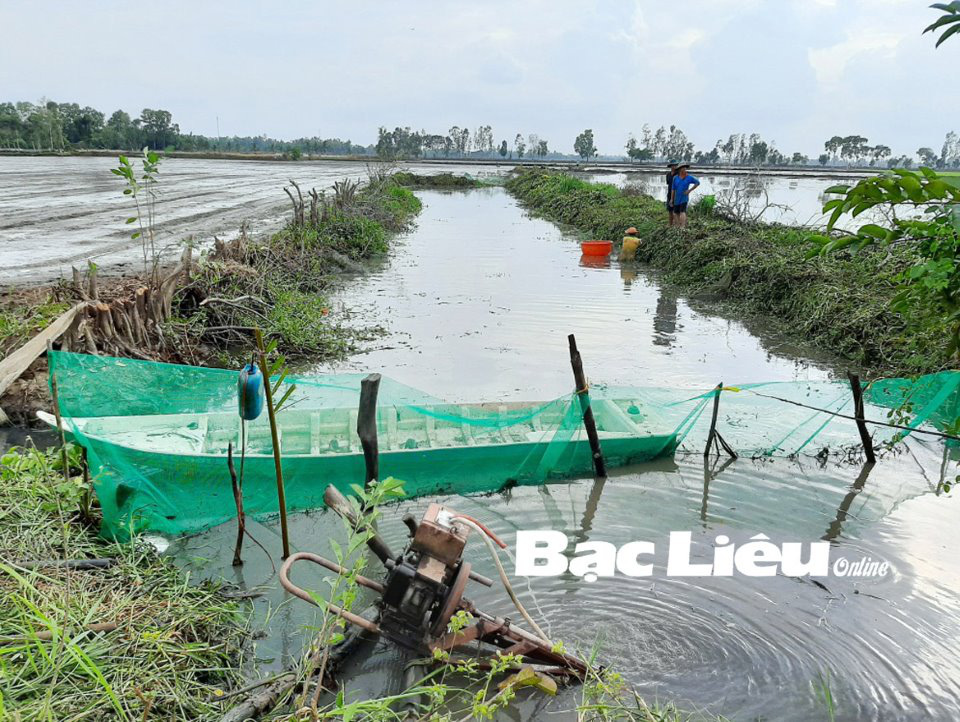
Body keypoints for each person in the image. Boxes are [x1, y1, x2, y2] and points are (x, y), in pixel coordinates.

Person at [669, 163, 699, 228]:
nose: (684, 169)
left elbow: (697, 183)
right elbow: (673, 189)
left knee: (682, 211)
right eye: (682, 168)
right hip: (677, 198)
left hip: (684, 197)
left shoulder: (689, 177)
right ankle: (677, 226)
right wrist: (671, 199)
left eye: (685, 168)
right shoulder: (675, 178)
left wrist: (689, 190)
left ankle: (682, 227)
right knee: (675, 213)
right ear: (679, 170)